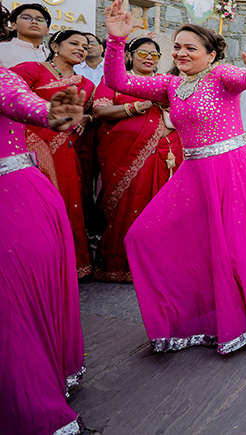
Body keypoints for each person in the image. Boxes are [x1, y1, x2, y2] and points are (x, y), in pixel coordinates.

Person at [103, 0, 246, 353]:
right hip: (193, 174)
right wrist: (116, 40)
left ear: (210, 55)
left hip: (233, 171)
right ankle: (192, 313)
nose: (180, 53)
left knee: (238, 248)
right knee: (144, 236)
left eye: (189, 48)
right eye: (176, 47)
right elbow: (116, 79)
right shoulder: (169, 85)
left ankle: (245, 316)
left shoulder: (221, 76)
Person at [0, 65, 87, 435]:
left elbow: (21, 102)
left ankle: (25, 396)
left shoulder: (3, 76)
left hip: (11, 199)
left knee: (11, 305)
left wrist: (52, 114)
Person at [91, 37, 183, 282]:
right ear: (129, 55)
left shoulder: (166, 84)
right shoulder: (112, 82)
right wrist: (139, 106)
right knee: (130, 204)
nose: (149, 58)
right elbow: (99, 111)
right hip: (125, 156)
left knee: (160, 206)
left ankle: (159, 266)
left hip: (166, 157)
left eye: (154, 55)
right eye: (143, 53)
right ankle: (122, 266)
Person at [13, 29, 95, 278]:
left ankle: (66, 267)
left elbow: (84, 116)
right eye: (74, 43)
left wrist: (87, 117)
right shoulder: (31, 69)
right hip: (29, 147)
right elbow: (10, 99)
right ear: (56, 46)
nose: (82, 48)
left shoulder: (87, 85)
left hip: (64, 150)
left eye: (86, 45)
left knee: (66, 202)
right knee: (30, 205)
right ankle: (28, 266)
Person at [0, 3, 51, 68]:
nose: (34, 22)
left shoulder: (53, 56)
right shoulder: (2, 50)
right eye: (26, 18)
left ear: (47, 30)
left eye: (40, 20)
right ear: (13, 25)